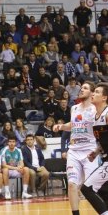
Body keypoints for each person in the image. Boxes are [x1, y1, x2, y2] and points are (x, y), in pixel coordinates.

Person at [53, 81, 98, 215]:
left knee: (91, 187)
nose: (81, 90)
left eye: (85, 88)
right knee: (72, 184)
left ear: (92, 93)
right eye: (81, 88)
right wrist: (60, 126)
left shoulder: (96, 109)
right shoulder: (74, 108)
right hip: (74, 150)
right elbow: (73, 124)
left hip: (90, 151)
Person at [81, 82, 108, 214]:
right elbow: (103, 139)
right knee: (104, 192)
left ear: (104, 97)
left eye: (97, 92)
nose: (93, 94)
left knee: (87, 188)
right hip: (104, 158)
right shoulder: (96, 117)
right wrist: (96, 152)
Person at [0, 134, 32, 200]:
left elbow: (21, 162)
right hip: (8, 171)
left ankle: (24, 192)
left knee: (26, 169)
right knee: (5, 169)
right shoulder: (3, 150)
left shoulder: (18, 150)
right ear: (7, 142)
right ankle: (7, 192)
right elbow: (3, 165)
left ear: (16, 143)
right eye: (10, 141)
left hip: (16, 170)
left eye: (13, 142)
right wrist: (16, 168)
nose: (11, 143)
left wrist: (20, 167)